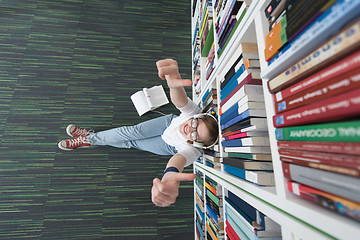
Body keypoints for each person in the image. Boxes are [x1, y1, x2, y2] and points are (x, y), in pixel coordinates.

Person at [57, 59, 219, 207]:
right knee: (129, 132)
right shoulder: (194, 113)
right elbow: (180, 101)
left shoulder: (193, 151)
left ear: (197, 143)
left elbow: (178, 160)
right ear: (197, 117)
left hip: (166, 146)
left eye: (195, 135)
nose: (190, 128)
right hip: (167, 123)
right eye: (195, 124)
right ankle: (90, 139)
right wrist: (174, 86)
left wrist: (169, 175)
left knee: (131, 142)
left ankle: (88, 138)